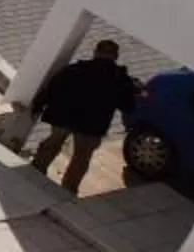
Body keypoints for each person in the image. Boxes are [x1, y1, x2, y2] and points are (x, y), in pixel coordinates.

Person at [26, 39, 138, 194]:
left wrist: (39, 105)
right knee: (81, 156)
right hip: (92, 124)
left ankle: (34, 175)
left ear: (96, 52)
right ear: (116, 56)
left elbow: (53, 87)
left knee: (53, 142)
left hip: (63, 116)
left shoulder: (74, 69)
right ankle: (67, 191)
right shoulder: (120, 79)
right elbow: (128, 106)